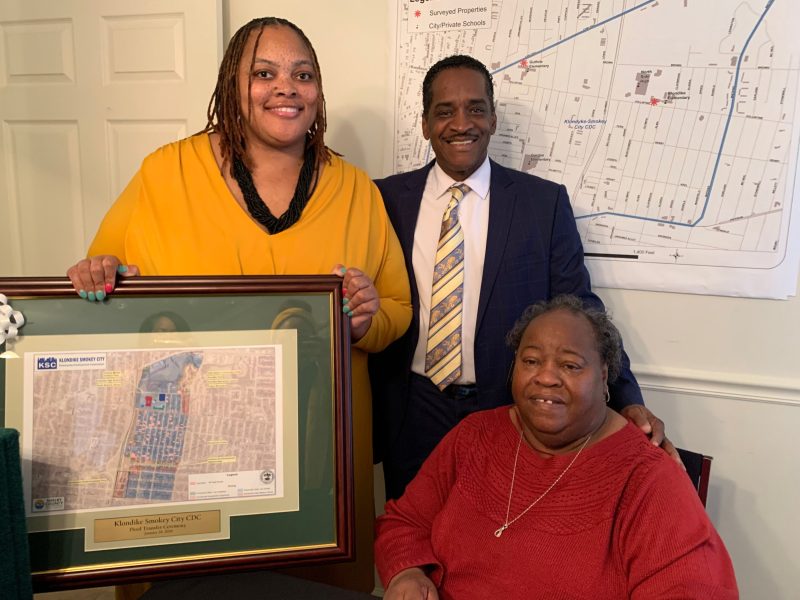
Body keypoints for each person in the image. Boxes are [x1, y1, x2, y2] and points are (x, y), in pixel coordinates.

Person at [66, 17, 411, 593]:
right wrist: (95, 276)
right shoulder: (165, 172)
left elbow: (396, 307)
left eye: (302, 74)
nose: (286, 87)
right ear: (232, 86)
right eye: (264, 73)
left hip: (317, 456)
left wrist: (367, 320)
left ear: (318, 91)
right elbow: (106, 276)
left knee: (309, 585)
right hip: (188, 453)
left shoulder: (355, 189)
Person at [370, 54, 675, 500]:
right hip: (411, 411)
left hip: (508, 411)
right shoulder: (385, 199)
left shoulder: (542, 205)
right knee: (413, 536)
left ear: (493, 119)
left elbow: (582, 312)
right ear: (424, 124)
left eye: (475, 108)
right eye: (444, 111)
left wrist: (626, 396)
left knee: (497, 543)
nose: (461, 123)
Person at [375, 295, 738, 599]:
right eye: (531, 361)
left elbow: (694, 589)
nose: (546, 377)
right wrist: (406, 573)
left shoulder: (648, 480)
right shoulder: (474, 436)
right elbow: (405, 521)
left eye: (569, 365)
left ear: (603, 375)